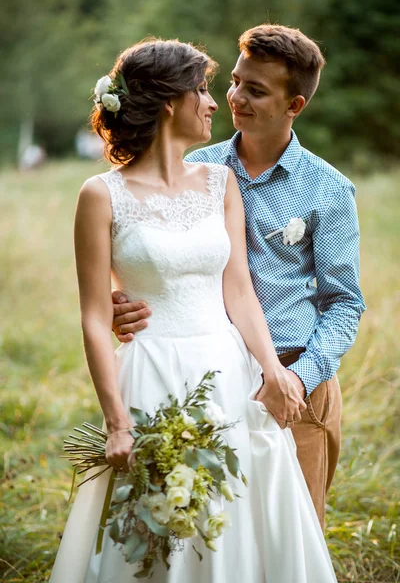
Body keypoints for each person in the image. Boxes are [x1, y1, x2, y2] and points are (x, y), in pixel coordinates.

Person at [50, 38, 337, 583]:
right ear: (166, 104)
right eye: (203, 89)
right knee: (157, 529)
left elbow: (239, 291)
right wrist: (116, 421)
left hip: (229, 373)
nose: (217, 102)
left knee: (239, 518)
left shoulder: (219, 182)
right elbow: (92, 313)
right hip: (150, 373)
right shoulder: (99, 194)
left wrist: (272, 368)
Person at [112, 24, 366, 528]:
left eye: (256, 90)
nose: (234, 97)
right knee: (213, 534)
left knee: (292, 536)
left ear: (294, 105)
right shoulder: (197, 167)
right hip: (208, 381)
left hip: (294, 384)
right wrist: (124, 300)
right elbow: (158, 254)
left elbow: (345, 304)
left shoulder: (329, 189)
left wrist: (297, 377)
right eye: (233, 81)